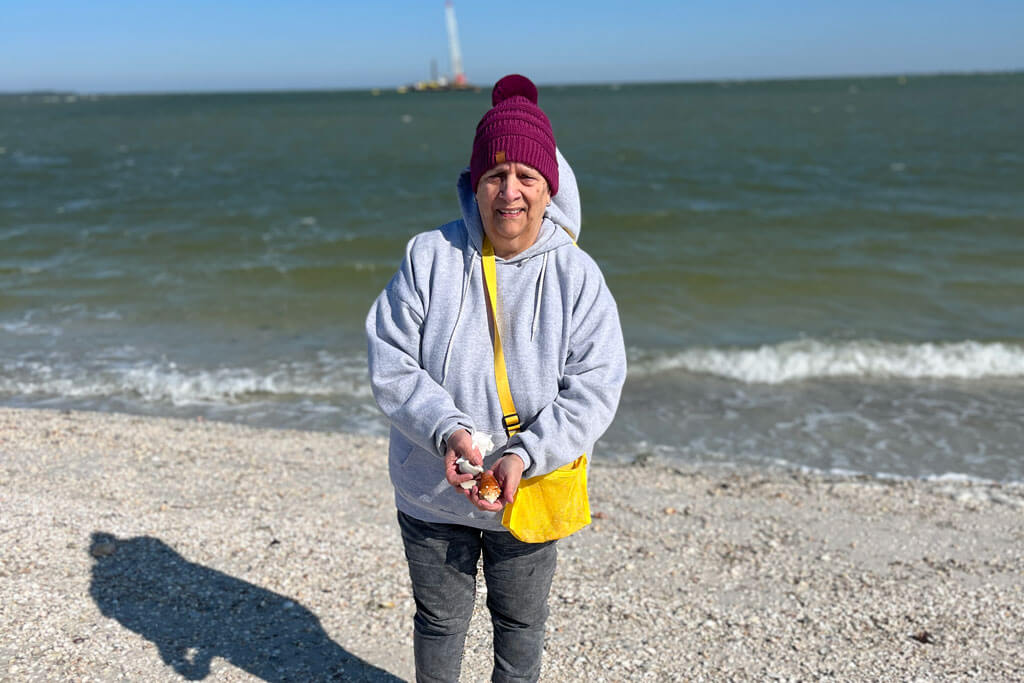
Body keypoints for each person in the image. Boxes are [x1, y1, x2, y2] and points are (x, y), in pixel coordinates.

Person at [366, 74, 627, 683]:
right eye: (495, 175)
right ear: (474, 185)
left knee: (520, 627)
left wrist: (526, 455)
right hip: (432, 487)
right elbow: (391, 359)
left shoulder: (578, 276)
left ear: (549, 187)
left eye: (526, 176)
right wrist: (449, 432)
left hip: (530, 486)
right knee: (438, 623)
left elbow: (596, 385)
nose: (510, 191)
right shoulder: (428, 256)